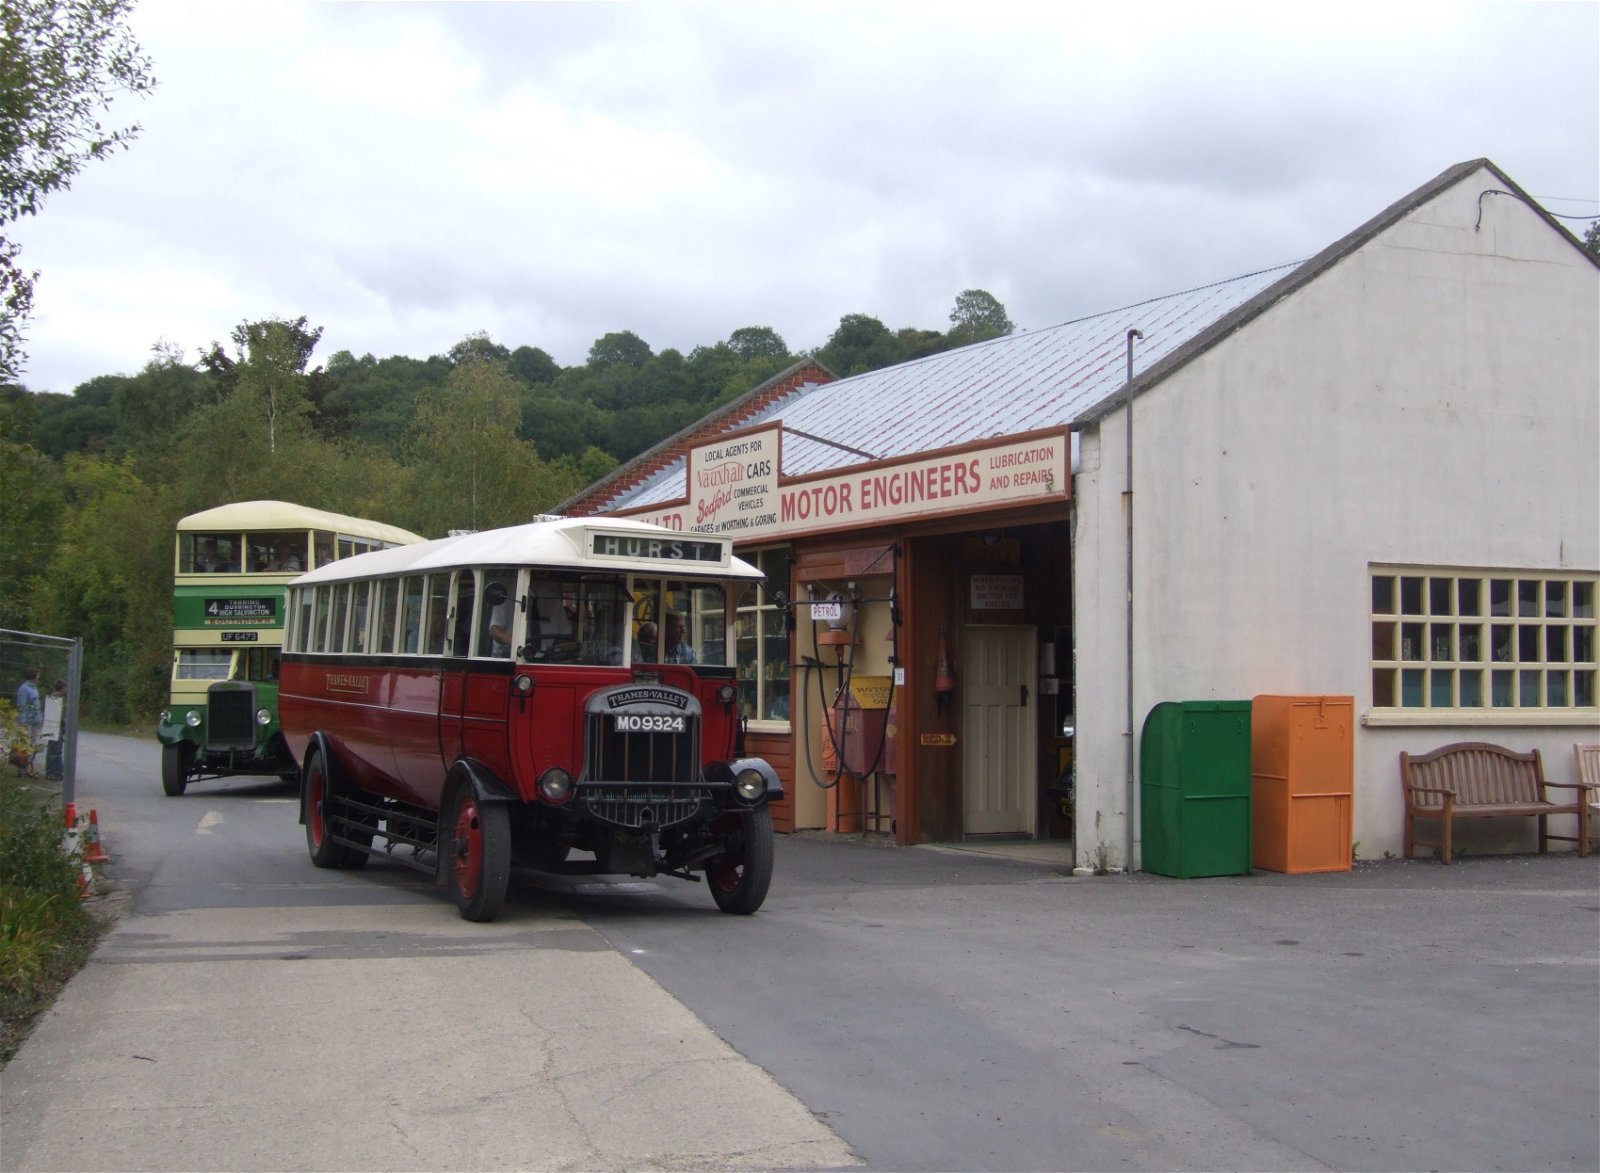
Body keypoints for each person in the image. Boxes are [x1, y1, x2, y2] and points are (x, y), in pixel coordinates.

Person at [13, 667, 43, 773]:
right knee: (25, 745)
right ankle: (22, 768)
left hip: (35, 721)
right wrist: (23, 723)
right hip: (28, 722)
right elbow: (22, 706)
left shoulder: (34, 688)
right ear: (33, 676)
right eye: (38, 674)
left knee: (32, 745)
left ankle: (28, 766)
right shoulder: (24, 688)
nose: (39, 676)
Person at [43, 679, 66, 780]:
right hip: (54, 728)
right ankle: (51, 772)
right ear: (62, 688)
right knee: (53, 751)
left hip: (56, 727)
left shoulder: (57, 698)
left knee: (57, 751)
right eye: (66, 688)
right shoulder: (54, 698)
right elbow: (54, 715)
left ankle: (58, 772)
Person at [485, 581, 513, 657]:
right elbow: (494, 630)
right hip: (507, 658)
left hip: (545, 658)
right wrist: (515, 643)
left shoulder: (548, 592)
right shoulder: (507, 595)